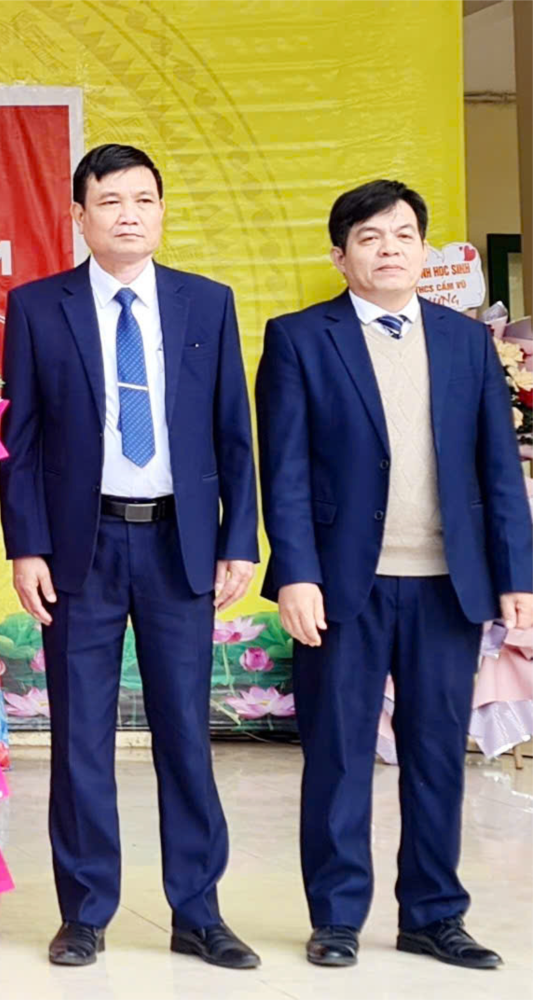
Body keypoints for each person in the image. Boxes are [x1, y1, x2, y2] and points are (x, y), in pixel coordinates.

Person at [256, 180, 533, 970]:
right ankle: (336, 916)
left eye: (403, 235)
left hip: (448, 583)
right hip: (344, 585)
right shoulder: (300, 338)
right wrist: (295, 574)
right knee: (339, 754)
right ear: (338, 255)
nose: (388, 249)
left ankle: (433, 915)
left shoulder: (464, 342)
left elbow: (497, 470)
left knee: (437, 753)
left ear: (420, 250)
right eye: (369, 237)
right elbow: (285, 469)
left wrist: (516, 576)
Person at [0, 144, 262, 970]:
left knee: (185, 732)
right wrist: (26, 546)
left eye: (143, 199)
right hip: (79, 548)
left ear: (160, 211)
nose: (128, 215)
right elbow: (19, 442)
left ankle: (198, 912)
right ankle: (84, 913)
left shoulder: (204, 303)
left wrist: (238, 539)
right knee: (80, 737)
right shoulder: (37, 307)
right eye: (109, 201)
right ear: (79, 215)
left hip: (179, 543)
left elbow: (232, 429)